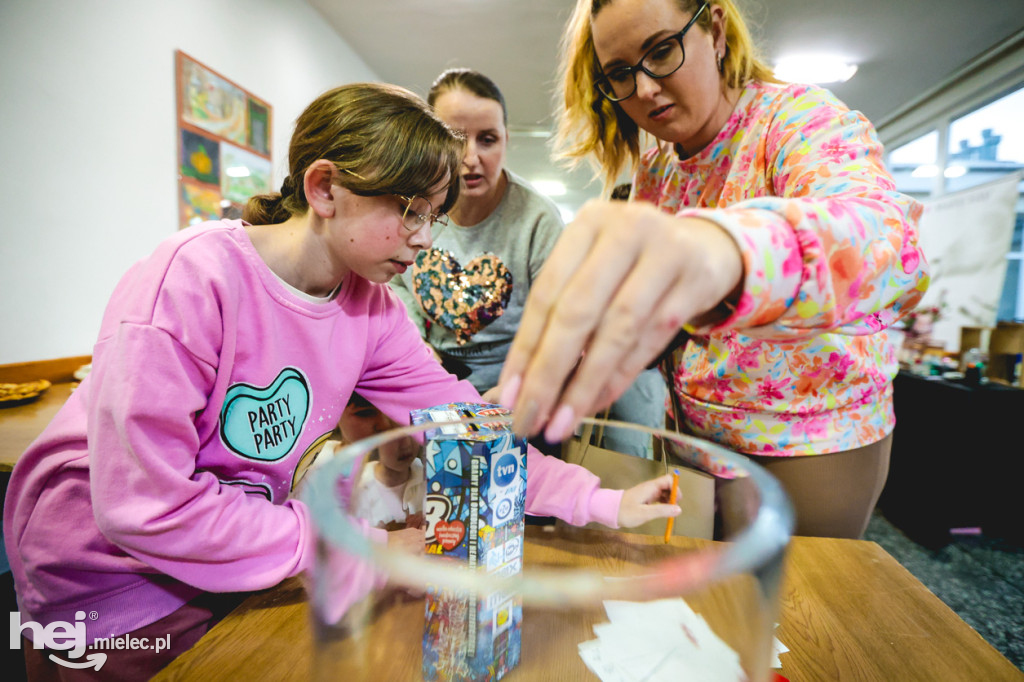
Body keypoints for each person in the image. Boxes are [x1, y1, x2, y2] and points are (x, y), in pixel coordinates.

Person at [4, 83, 681, 680]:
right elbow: (146, 509)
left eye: (432, 217)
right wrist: (368, 548)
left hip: (238, 562)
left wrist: (601, 502)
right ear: (326, 188)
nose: (422, 240)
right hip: (114, 587)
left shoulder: (368, 306)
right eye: (408, 210)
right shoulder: (191, 281)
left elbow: (466, 424)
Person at [498, 0, 930, 539]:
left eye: (661, 51)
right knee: (707, 606)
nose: (647, 88)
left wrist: (725, 247)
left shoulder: (796, 119)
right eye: (621, 74)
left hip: (807, 437)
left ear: (717, 30)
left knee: (796, 612)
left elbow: (886, 240)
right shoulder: (659, 162)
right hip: (696, 435)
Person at [388, 68, 565, 397]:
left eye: (487, 139)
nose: (470, 158)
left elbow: (561, 329)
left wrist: (510, 393)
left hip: (520, 389)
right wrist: (417, 346)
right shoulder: (410, 207)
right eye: (455, 139)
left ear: (506, 140)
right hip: (430, 377)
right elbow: (394, 285)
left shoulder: (538, 220)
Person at [327, 392, 427, 531]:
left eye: (411, 432)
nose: (405, 445)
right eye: (392, 436)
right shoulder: (356, 487)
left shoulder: (432, 481)